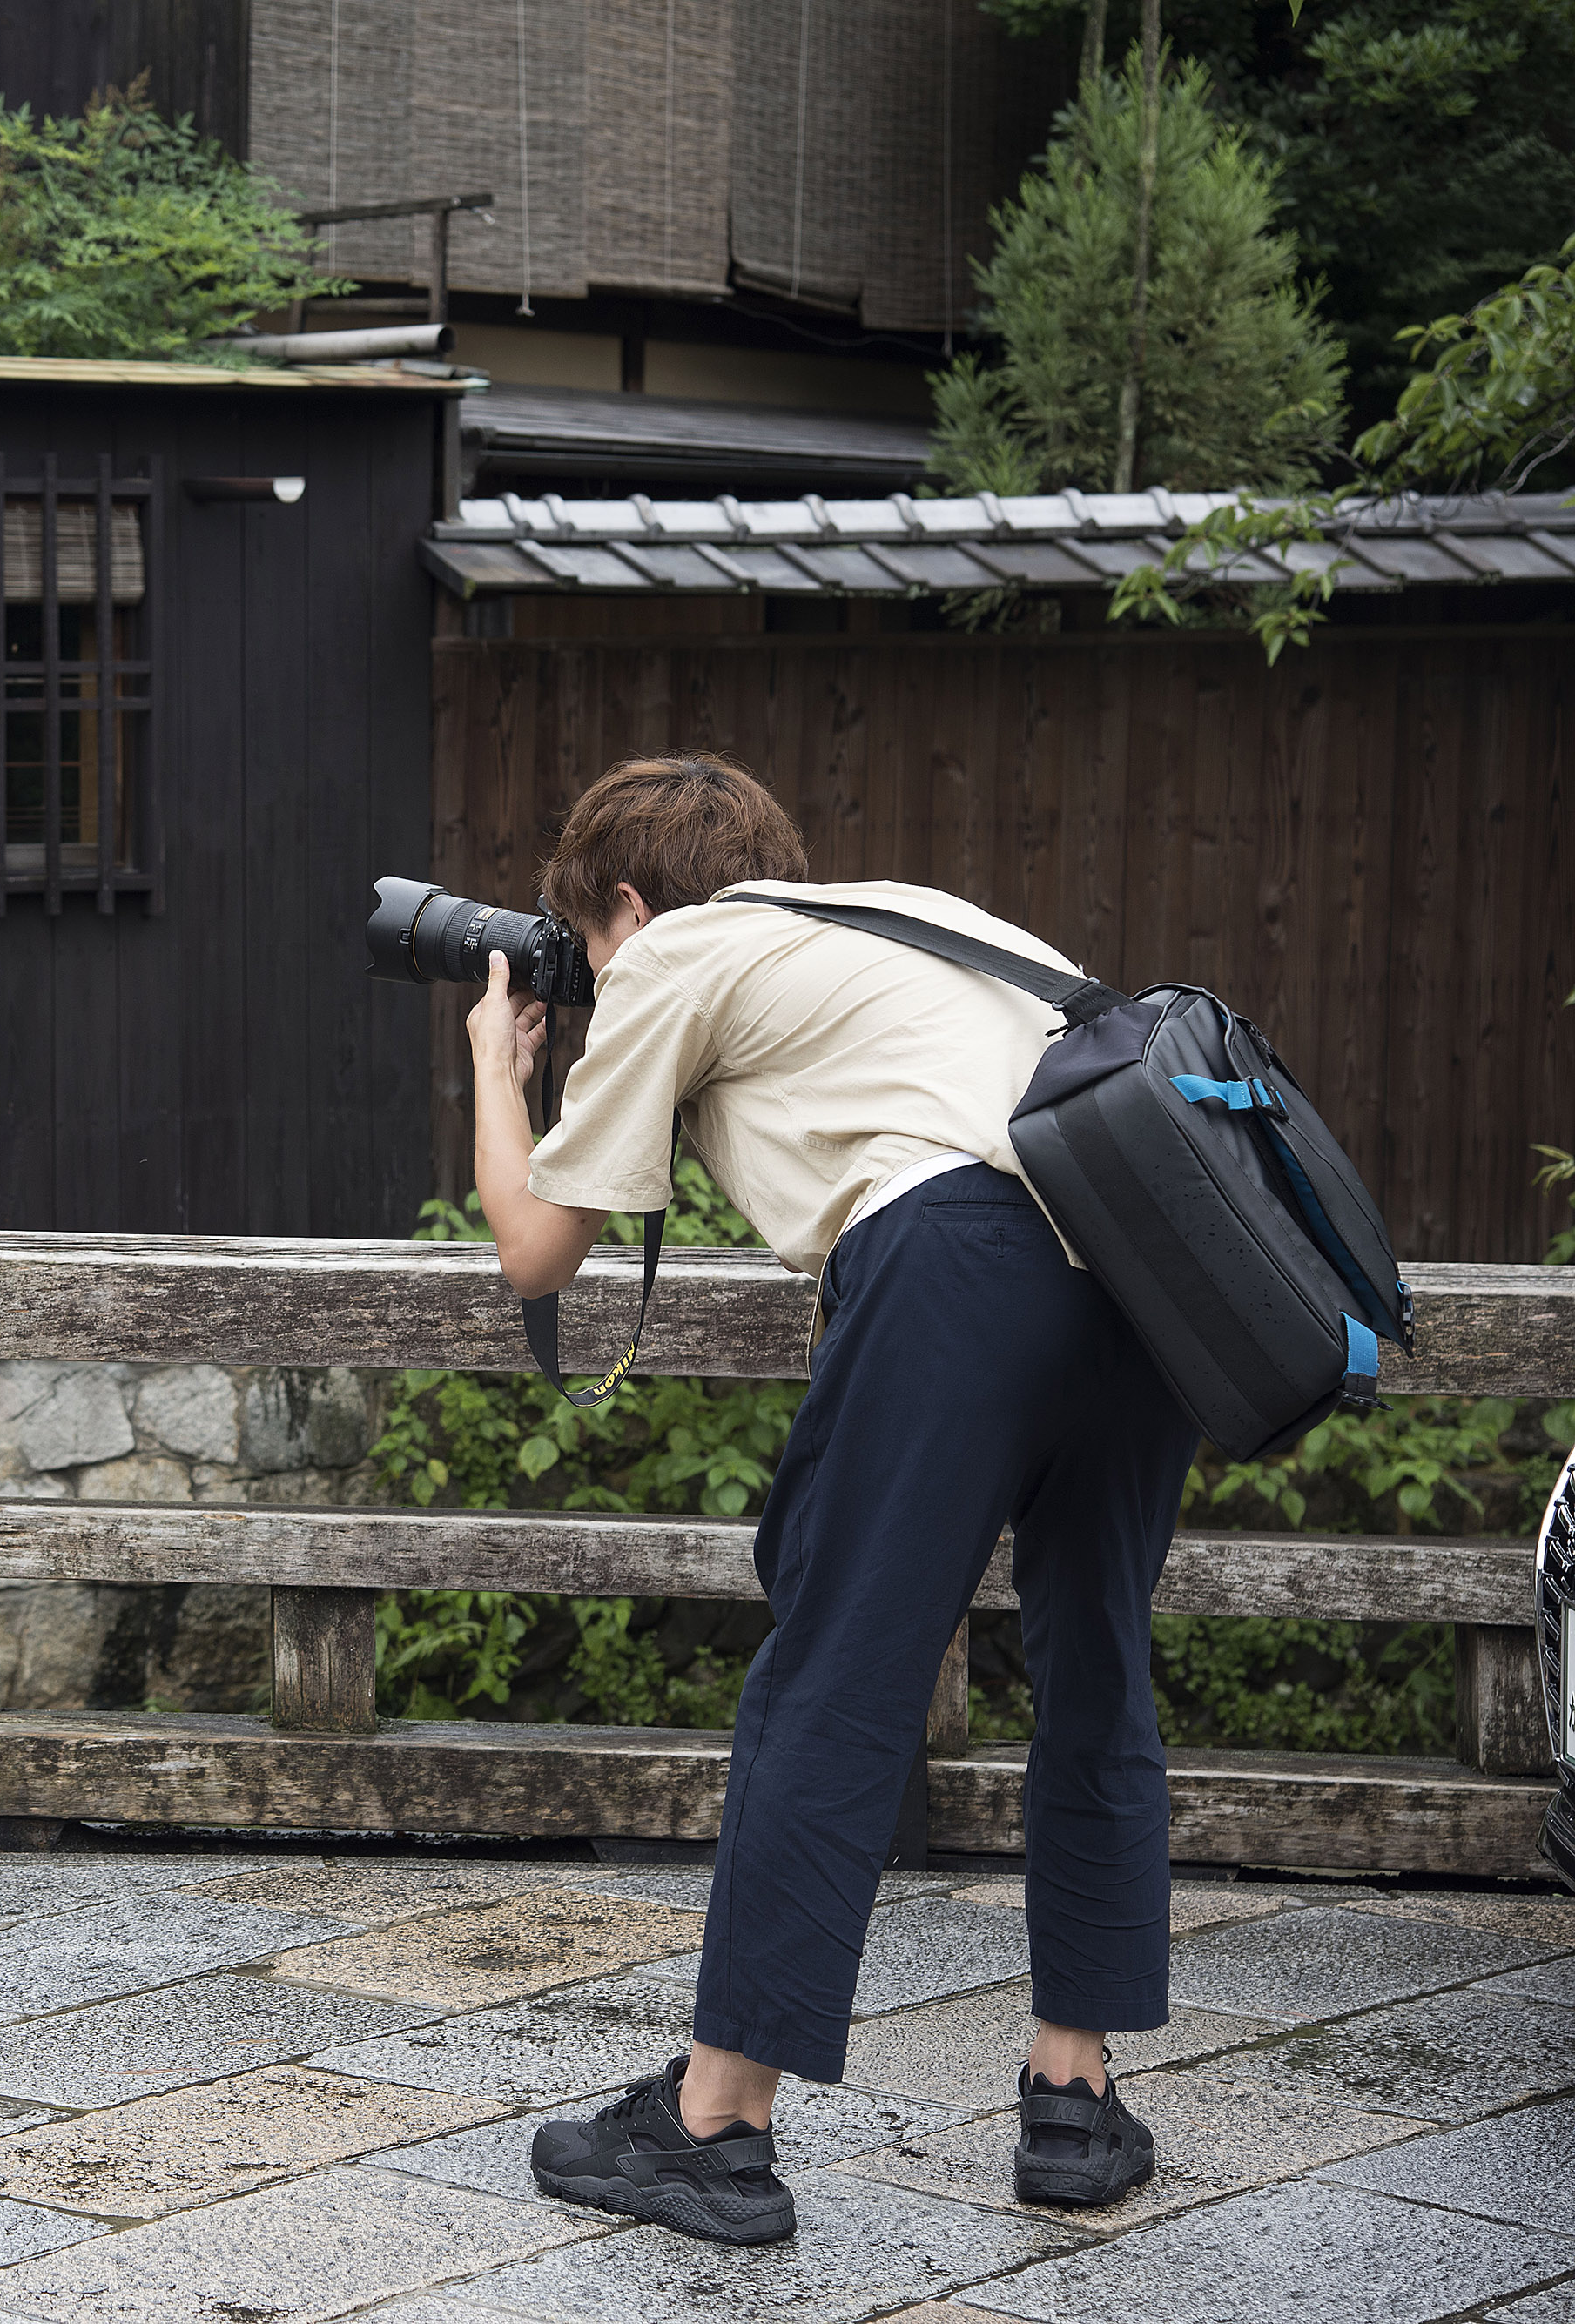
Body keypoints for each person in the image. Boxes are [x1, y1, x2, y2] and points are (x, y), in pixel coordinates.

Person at [468, 753, 1192, 2244]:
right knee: (1097, 1664)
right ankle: (1073, 2099)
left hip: (959, 1266)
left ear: (625, 906)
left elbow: (537, 1251)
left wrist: (498, 1059)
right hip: (1147, 1268)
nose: (598, 974)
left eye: (587, 945)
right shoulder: (914, 918)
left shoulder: (674, 950)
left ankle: (714, 2125)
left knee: (836, 1680)